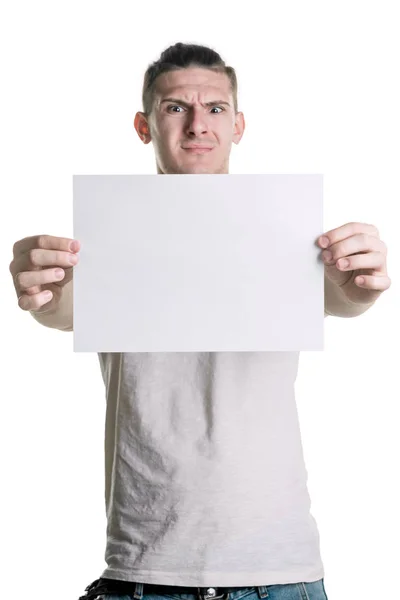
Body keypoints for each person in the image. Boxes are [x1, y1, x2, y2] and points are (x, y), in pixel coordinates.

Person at [9, 43, 391, 600]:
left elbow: (344, 298)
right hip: (146, 565)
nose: (196, 125)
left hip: (278, 566)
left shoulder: (285, 231)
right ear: (144, 125)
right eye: (174, 108)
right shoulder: (107, 238)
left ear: (238, 125)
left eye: (214, 109)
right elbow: (64, 310)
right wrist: (43, 293)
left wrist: (362, 281)